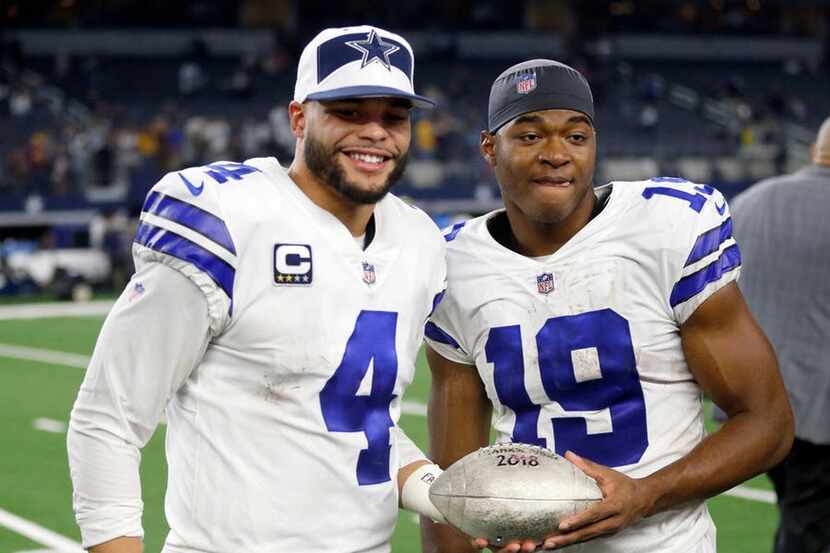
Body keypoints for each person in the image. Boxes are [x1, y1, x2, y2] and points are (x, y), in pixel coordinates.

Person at [68, 25, 449, 553]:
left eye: (393, 117)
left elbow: (357, 418)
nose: (376, 133)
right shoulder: (226, 217)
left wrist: (445, 494)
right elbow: (107, 421)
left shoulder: (418, 241)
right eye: (349, 112)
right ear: (298, 118)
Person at [421, 59, 794, 553]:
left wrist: (645, 495)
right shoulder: (453, 265)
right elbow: (455, 487)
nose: (556, 154)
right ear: (490, 147)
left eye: (576, 136)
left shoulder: (666, 228)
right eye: (530, 137)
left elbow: (767, 423)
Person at [729, 117, 830, 553]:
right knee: (808, 525)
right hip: (820, 414)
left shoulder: (750, 202)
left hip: (755, 402)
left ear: (815, 150)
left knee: (800, 512)